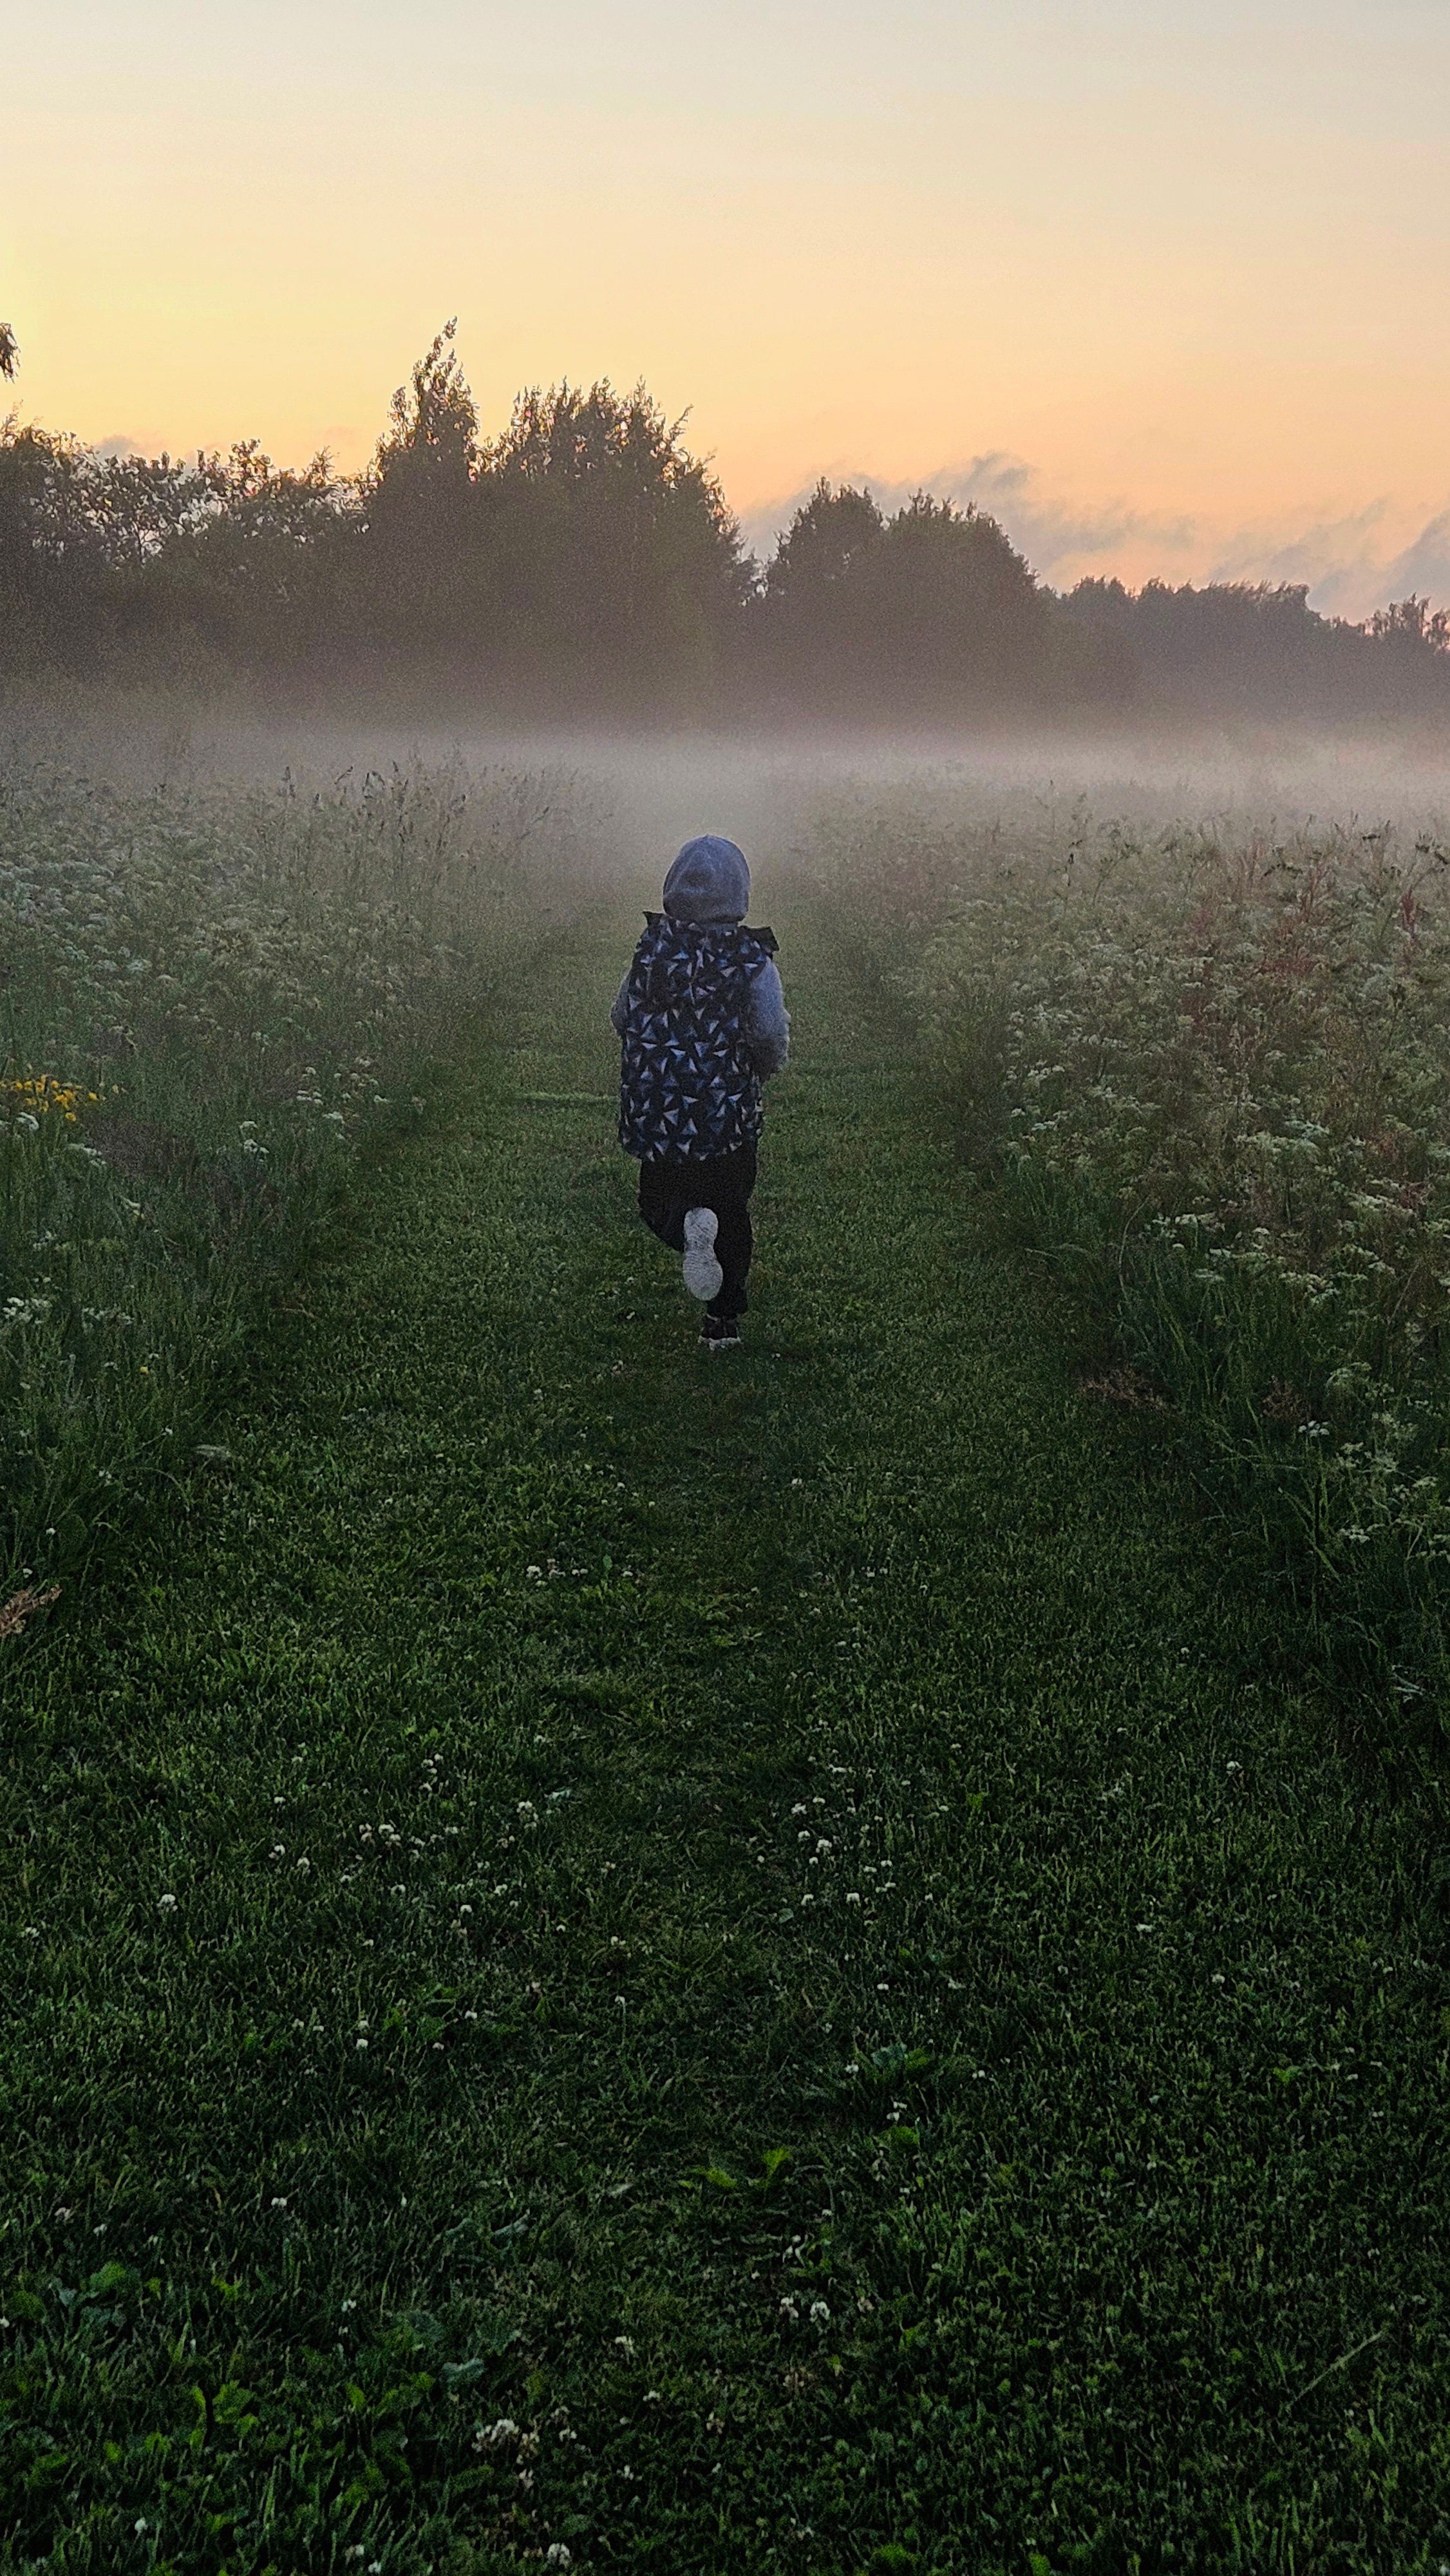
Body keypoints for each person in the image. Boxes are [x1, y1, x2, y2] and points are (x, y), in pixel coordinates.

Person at [611, 834, 790, 1351]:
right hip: (725, 1118)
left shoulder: (652, 950)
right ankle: (722, 1325)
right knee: (730, 1209)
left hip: (660, 1117)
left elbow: (621, 1016)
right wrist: (762, 1071)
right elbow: (768, 1032)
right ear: (740, 895)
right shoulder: (750, 960)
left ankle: (686, 1226)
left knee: (655, 1203)